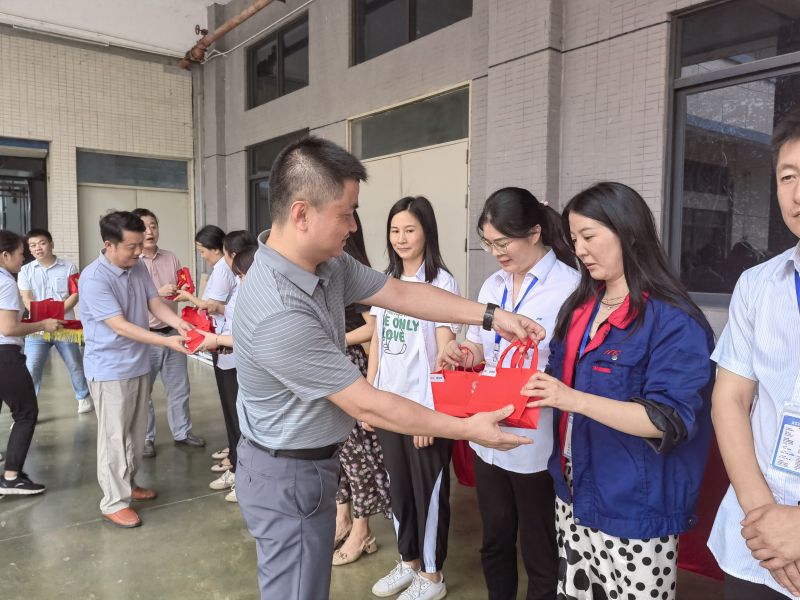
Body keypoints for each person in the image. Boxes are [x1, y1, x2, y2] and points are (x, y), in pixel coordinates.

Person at [232, 135, 542, 600]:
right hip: (287, 474)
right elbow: (368, 404)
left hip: (308, 464)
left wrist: (491, 315)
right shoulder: (278, 309)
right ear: (301, 214)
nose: (354, 226)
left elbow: (399, 293)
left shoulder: (325, 265)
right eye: (345, 213)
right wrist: (467, 429)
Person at [520, 182, 715, 600]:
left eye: (589, 236)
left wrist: (572, 399)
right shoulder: (579, 308)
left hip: (634, 504)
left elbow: (667, 420)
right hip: (573, 490)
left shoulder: (673, 320)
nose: (580, 250)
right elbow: (555, 378)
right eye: (574, 239)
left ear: (628, 231)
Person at [441, 187, 579, 600]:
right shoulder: (492, 285)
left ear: (534, 232)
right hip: (488, 433)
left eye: (503, 242)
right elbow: (481, 349)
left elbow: (573, 364)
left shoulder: (569, 286)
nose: (496, 252)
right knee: (495, 541)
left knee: (540, 549)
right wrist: (462, 353)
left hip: (537, 440)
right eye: (488, 243)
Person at [708, 108, 800, 599]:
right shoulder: (758, 285)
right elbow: (731, 399)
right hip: (754, 543)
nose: (797, 193)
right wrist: (764, 519)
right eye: (788, 177)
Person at [365, 196, 460, 600]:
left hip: (423, 407)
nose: (401, 238)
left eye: (409, 230)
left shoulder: (442, 283)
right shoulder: (385, 280)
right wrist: (369, 396)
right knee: (399, 488)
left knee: (429, 493)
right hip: (388, 403)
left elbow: (445, 344)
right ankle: (409, 563)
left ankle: (433, 576)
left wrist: (428, 413)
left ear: (426, 233)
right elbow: (377, 341)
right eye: (395, 230)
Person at [79, 211, 191, 528]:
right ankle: (113, 501)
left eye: (141, 244)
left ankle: (127, 484)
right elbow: (120, 326)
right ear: (109, 245)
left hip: (138, 362)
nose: (139, 251)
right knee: (114, 437)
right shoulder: (94, 278)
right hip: (110, 368)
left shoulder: (137, 265)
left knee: (135, 433)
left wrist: (180, 324)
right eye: (132, 246)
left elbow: (154, 303)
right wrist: (165, 342)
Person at [333, 211, 391, 566]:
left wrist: (336, 340)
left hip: (350, 366)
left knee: (358, 456)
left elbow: (373, 328)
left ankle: (362, 529)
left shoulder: (358, 274)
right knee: (340, 452)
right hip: (332, 366)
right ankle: (342, 517)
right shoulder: (326, 268)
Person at [132, 208, 205, 458]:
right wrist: (156, 292)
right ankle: (146, 437)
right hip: (146, 335)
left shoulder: (170, 257)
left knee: (179, 387)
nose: (149, 231)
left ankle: (182, 432)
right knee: (144, 392)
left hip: (174, 331)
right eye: (144, 227)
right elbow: (130, 299)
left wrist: (183, 290)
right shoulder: (133, 262)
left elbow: (182, 286)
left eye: (153, 226)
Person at [0, 229, 61, 495]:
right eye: (19, 253)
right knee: (26, 413)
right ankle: (12, 477)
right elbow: (8, 328)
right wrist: (43, 324)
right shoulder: (5, 283)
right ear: (5, 255)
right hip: (5, 355)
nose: (23, 258)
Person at [175, 225, 238, 477]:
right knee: (229, 404)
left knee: (232, 404)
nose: (202, 256)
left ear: (217, 249)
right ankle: (234, 449)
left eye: (202, 251)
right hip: (221, 340)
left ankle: (237, 458)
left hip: (225, 342)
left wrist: (188, 297)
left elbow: (212, 306)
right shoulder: (223, 268)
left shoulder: (223, 269)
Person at [18, 228, 92, 414]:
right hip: (36, 328)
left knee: (75, 364)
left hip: (65, 326)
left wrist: (55, 314)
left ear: (51, 244)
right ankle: (29, 409)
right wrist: (45, 319)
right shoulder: (25, 270)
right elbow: (26, 299)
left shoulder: (70, 267)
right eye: (32, 245)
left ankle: (83, 398)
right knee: (31, 367)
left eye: (42, 243)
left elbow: (75, 295)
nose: (38, 248)